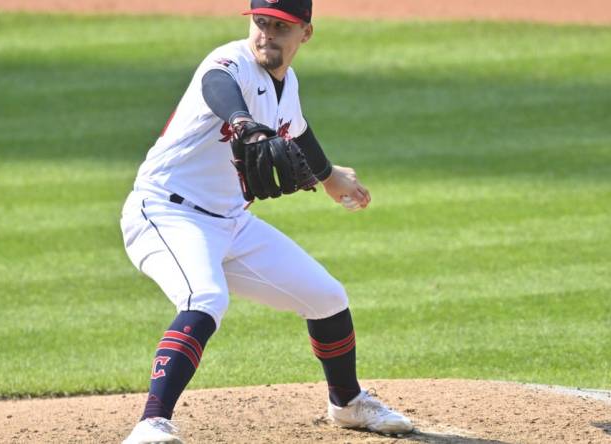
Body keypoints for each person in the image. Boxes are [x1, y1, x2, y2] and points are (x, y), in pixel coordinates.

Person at [120, 1, 414, 442]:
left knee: (327, 297)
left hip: (231, 222)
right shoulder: (229, 62)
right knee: (205, 298)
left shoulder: (286, 82)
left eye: (280, 27)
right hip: (165, 211)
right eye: (260, 23)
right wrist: (244, 123)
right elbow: (216, 86)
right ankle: (152, 422)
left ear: (305, 34)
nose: (266, 34)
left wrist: (329, 176)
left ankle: (348, 403)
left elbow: (296, 128)